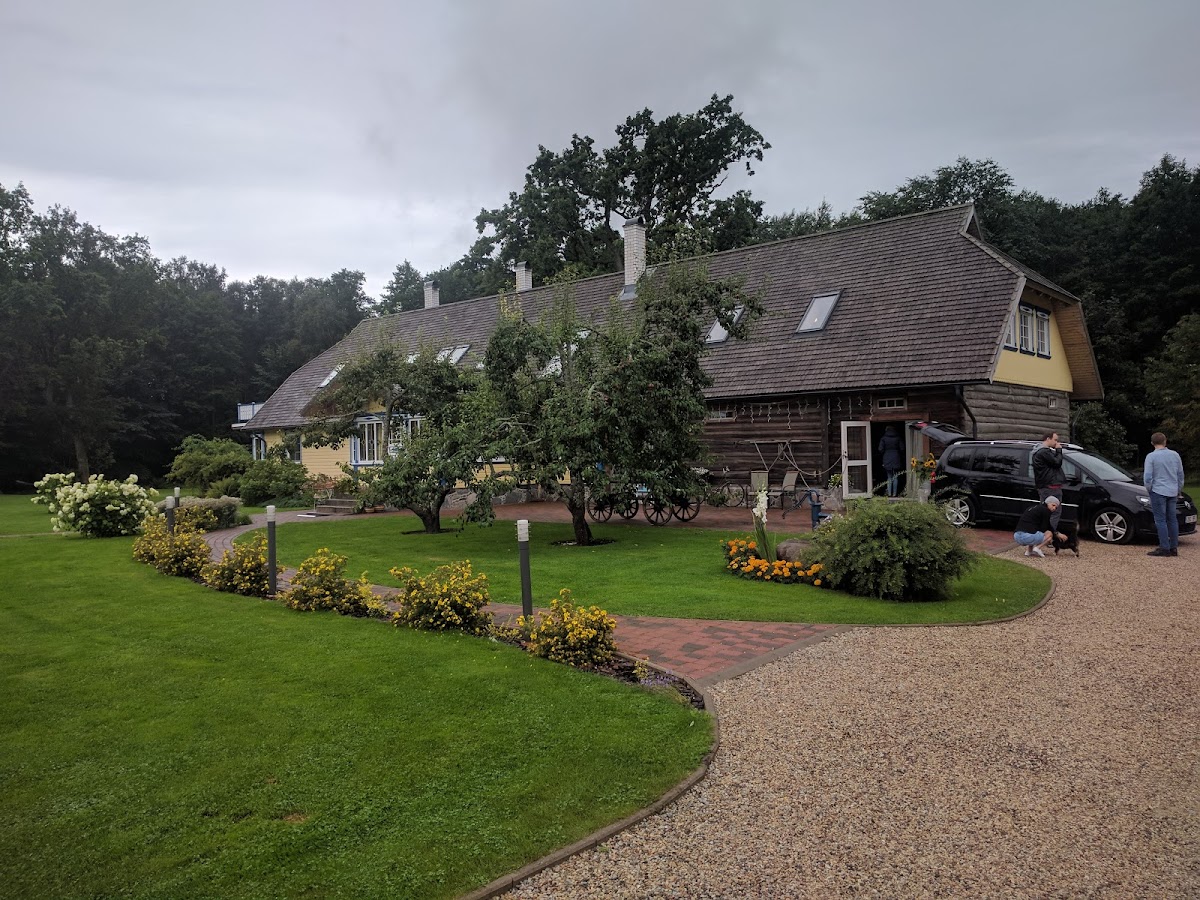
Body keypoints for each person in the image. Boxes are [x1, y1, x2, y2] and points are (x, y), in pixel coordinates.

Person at [1143, 432, 1185, 557]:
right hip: (1172, 491)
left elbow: (1148, 476)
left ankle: (1164, 547)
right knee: (1172, 519)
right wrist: (1178, 488)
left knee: (1160, 520)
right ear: (1165, 441)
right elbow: (1180, 474)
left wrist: (1149, 488)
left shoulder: (1151, 456)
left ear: (1152, 443)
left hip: (1158, 490)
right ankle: (1174, 547)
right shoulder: (1175, 455)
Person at [1032, 432, 1066, 532]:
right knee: (1054, 511)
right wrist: (1059, 451)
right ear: (1048, 439)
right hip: (1050, 487)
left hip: (1045, 486)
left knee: (1045, 510)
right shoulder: (1044, 452)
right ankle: (1049, 533)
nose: (1056, 442)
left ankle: (1043, 532)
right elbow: (1057, 462)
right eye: (1055, 440)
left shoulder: (1040, 452)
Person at [878, 425, 904, 497]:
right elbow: (902, 448)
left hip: (887, 457)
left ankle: (889, 493)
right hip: (896, 457)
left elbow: (880, 449)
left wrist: (885, 452)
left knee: (889, 476)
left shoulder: (883, 438)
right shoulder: (898, 438)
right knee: (895, 476)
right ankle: (894, 494)